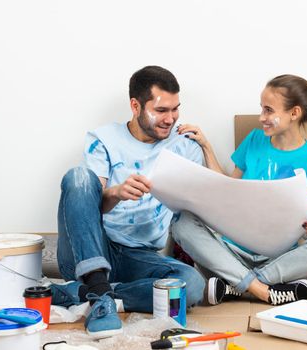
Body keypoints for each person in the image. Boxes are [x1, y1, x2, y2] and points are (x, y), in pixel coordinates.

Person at [51, 66, 205, 338]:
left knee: (191, 285)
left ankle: (91, 293)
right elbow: (85, 206)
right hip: (91, 247)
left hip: (139, 257)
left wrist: (207, 147)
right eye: (161, 110)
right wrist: (116, 192)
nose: (170, 119)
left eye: (175, 109)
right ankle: (98, 289)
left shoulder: (183, 145)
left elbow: (213, 196)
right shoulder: (103, 139)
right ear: (135, 106)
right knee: (78, 177)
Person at [173, 74, 307, 306]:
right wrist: (206, 145)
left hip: (279, 261)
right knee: (182, 223)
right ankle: (265, 291)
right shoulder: (254, 140)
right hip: (233, 252)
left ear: (294, 113)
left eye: (269, 110)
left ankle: (239, 287)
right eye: (261, 109)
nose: (261, 117)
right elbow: (227, 188)